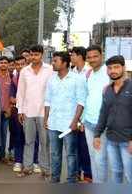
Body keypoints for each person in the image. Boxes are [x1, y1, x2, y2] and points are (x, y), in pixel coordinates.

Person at [44, 51, 86, 183]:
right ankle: (54, 179)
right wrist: (46, 119)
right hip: (54, 123)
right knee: (55, 154)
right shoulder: (51, 79)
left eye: (55, 61)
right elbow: (47, 101)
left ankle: (71, 181)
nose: (53, 63)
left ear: (65, 63)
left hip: (69, 125)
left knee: (71, 155)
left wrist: (75, 122)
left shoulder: (77, 79)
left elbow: (81, 102)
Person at [94, 55, 132, 184]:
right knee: (116, 172)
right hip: (111, 140)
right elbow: (103, 114)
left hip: (128, 141)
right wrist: (97, 134)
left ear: (123, 68)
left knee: (130, 174)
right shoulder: (107, 90)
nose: (113, 71)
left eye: (116, 67)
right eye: (110, 68)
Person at [16, 45, 52, 179]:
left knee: (44, 142)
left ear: (41, 55)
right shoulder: (25, 71)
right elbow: (20, 92)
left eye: (36, 55)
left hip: (44, 112)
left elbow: (53, 91)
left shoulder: (50, 70)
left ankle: (45, 170)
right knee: (29, 141)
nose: (33, 57)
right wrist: (20, 110)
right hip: (28, 111)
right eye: (31, 55)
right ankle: (27, 168)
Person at [83, 45, 110, 183]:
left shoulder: (109, 72)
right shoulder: (88, 73)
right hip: (88, 123)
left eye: (95, 56)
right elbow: (87, 97)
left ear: (102, 56)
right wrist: (82, 120)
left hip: (103, 125)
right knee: (92, 157)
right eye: (89, 57)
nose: (92, 59)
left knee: (100, 159)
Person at [70, 46, 92, 182]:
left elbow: (88, 97)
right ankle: (76, 173)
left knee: (85, 148)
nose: (71, 57)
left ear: (79, 56)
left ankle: (88, 174)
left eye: (72, 55)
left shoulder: (89, 72)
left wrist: (82, 120)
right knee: (74, 147)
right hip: (72, 116)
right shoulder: (71, 72)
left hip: (84, 118)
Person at [0, 56, 14, 163]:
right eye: (1, 62)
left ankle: (2, 155)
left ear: (8, 64)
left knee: (4, 134)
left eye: (5, 62)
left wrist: (10, 108)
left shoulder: (12, 77)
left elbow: (13, 94)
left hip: (6, 111)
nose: (3, 64)